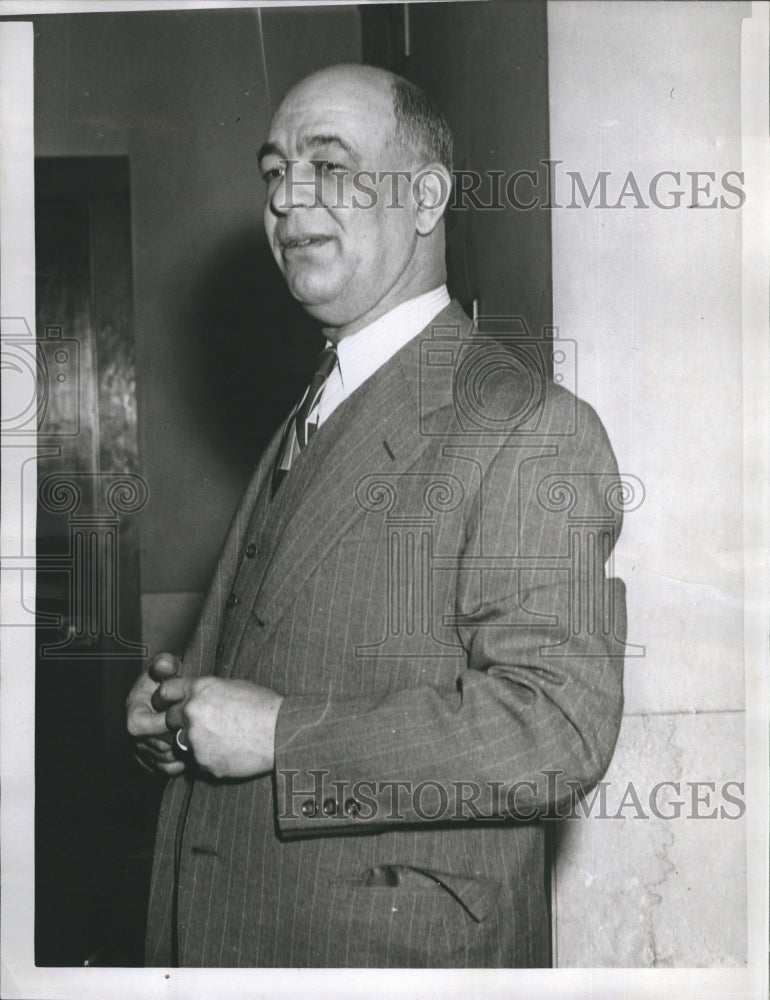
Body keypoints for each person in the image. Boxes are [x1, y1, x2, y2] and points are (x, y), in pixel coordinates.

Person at [127, 63, 626, 968]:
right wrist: (182, 720)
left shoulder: (526, 426)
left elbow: (557, 729)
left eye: (330, 164)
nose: (288, 200)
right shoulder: (318, 404)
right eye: (275, 170)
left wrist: (280, 735)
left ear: (426, 196)